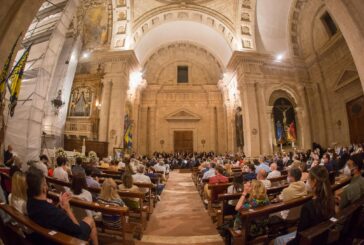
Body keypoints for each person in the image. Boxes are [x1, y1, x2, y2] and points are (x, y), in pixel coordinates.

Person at [26, 166, 98, 244]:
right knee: (90, 220)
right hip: (64, 240)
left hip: (45, 237)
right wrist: (68, 209)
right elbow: (78, 230)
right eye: (45, 183)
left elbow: (53, 217)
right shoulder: (54, 212)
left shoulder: (30, 203)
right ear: (43, 188)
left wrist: (60, 206)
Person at [274, 166, 335, 245]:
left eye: (309, 178)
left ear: (314, 181)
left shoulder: (308, 207)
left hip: (310, 239)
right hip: (320, 237)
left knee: (278, 240)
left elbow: (299, 238)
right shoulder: (329, 199)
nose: (307, 181)